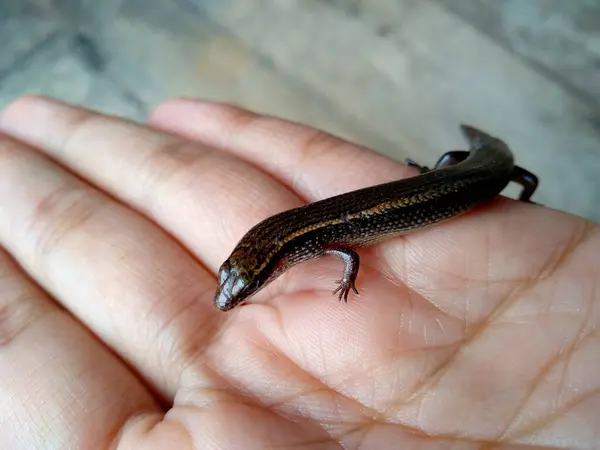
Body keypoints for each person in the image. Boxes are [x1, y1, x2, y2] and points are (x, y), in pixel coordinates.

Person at [0, 95, 597, 449]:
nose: (237, 293)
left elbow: (352, 253)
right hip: (458, 176)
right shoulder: (295, 237)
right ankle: (461, 159)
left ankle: (475, 160)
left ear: (275, 260)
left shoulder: (316, 242)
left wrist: (346, 280)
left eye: (249, 282)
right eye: (239, 280)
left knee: (488, 169)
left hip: (486, 176)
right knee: (450, 164)